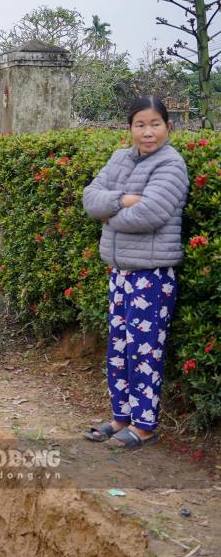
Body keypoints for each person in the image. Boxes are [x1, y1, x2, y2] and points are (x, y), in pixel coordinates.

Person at [82, 96, 189, 450]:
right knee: (118, 349)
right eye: (140, 124)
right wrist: (124, 200)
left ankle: (145, 425)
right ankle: (120, 417)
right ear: (130, 129)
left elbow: (152, 214)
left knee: (145, 351)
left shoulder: (171, 165)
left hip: (152, 275)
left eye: (155, 124)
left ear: (168, 127)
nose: (148, 132)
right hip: (120, 273)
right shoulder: (120, 159)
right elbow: (90, 199)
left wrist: (109, 215)